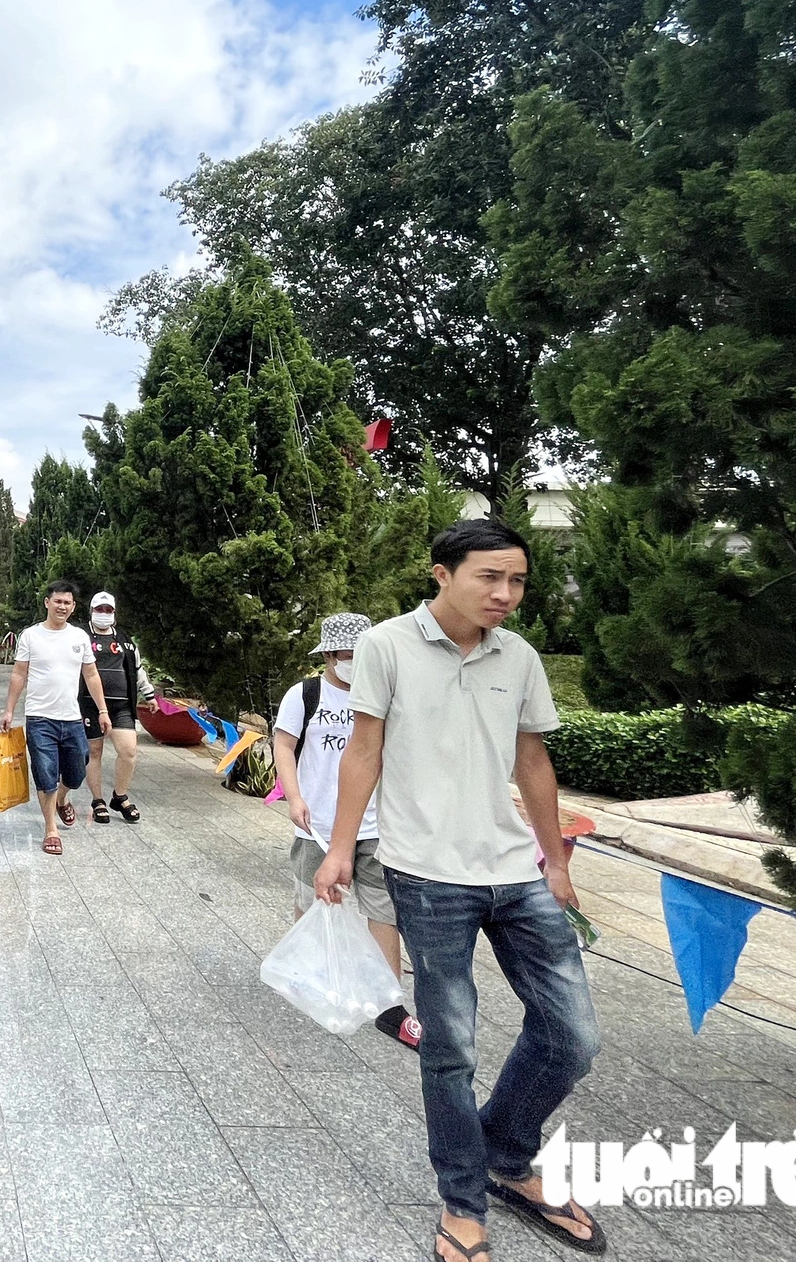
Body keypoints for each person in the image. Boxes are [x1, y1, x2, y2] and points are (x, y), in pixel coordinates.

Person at [315, 519, 603, 1261]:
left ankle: (506, 1153)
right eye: (489, 578)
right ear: (441, 574)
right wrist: (341, 848)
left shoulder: (521, 656)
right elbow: (364, 749)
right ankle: (464, 1198)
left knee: (573, 1035)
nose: (505, 594)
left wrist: (556, 860)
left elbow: (532, 760)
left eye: (517, 581)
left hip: (516, 872)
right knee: (451, 1046)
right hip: (427, 874)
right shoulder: (386, 645)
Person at [272, 613, 420, 1049]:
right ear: (330, 655)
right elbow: (283, 744)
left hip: (375, 822)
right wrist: (294, 797)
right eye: (347, 654)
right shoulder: (306, 694)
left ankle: (390, 1001)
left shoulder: (384, 695)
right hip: (317, 824)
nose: (355, 661)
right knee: (313, 901)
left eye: (362, 653)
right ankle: (312, 974)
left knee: (383, 908)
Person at [0, 580, 111, 855]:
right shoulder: (31, 636)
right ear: (47, 602)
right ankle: (51, 829)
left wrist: (103, 710)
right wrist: (9, 710)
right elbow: (19, 674)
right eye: (57, 601)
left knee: (76, 771)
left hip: (71, 718)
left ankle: (63, 798)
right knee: (45, 774)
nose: (62, 606)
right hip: (39, 718)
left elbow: (91, 674)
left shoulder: (79, 637)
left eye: (67, 602)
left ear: (73, 608)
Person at [79, 591, 152, 823]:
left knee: (128, 751)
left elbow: (137, 668)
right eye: (99, 610)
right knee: (94, 752)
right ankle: (97, 800)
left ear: (114, 613)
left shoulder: (124, 640)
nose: (103, 614)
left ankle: (119, 796)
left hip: (121, 706)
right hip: (89, 705)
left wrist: (149, 694)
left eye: (108, 610)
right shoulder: (80, 636)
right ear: (91, 611)